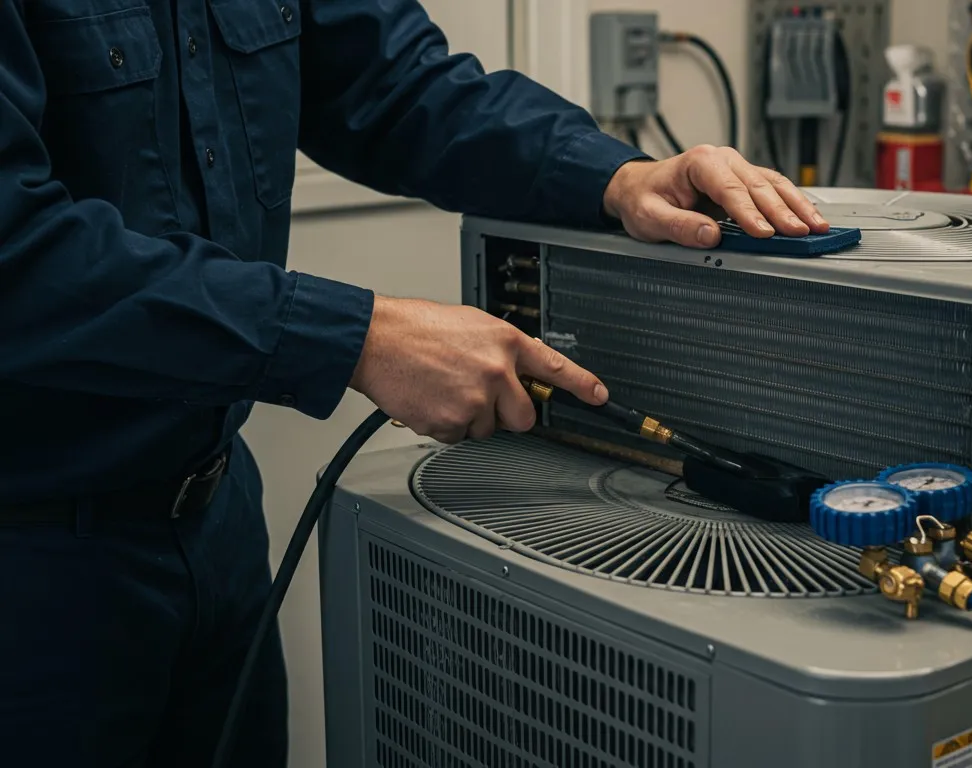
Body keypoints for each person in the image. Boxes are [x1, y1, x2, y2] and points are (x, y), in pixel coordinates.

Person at [0, 2, 827, 766]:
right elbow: (18, 254)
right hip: (36, 561)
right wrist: (358, 337)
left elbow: (393, 83)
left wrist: (616, 177)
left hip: (212, 518)